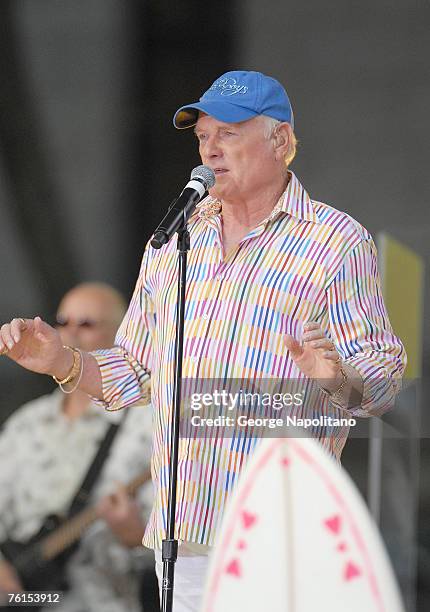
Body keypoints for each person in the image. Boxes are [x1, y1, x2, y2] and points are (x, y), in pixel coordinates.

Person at [0, 71, 406, 611]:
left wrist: (336, 377)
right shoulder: (174, 242)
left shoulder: (335, 243)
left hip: (275, 530)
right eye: (202, 136)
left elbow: (382, 377)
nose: (209, 149)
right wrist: (62, 361)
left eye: (229, 134)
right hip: (181, 536)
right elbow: (133, 371)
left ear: (280, 141)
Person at [0, 283, 156, 612]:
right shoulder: (26, 423)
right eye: (63, 321)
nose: (70, 332)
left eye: (86, 324)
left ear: (121, 336)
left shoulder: (149, 423)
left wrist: (135, 534)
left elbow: (178, 548)